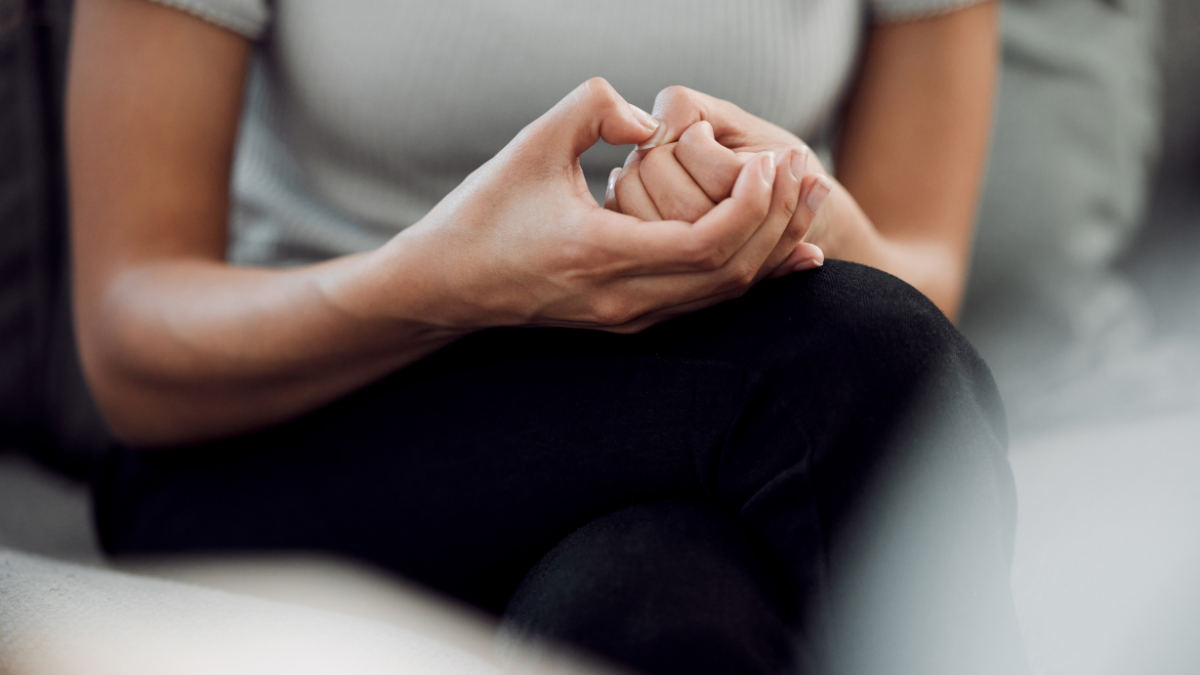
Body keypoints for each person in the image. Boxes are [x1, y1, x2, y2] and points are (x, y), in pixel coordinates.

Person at [69, 0, 1025, 673]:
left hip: (687, 411)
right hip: (294, 432)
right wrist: (441, 281)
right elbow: (129, 347)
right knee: (854, 357)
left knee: (653, 609)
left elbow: (922, 265)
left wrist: (801, 213)